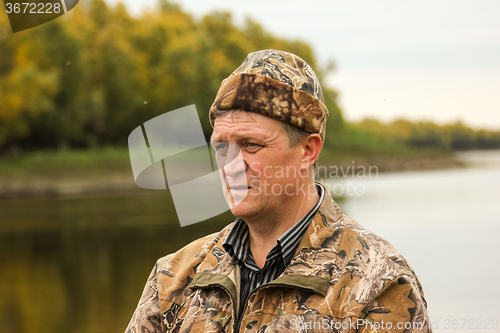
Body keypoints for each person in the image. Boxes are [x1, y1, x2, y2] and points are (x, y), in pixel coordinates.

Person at [125, 50, 432, 333]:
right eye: (221, 146)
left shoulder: (379, 283)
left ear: (307, 151)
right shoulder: (172, 278)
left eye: (251, 145)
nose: (230, 165)